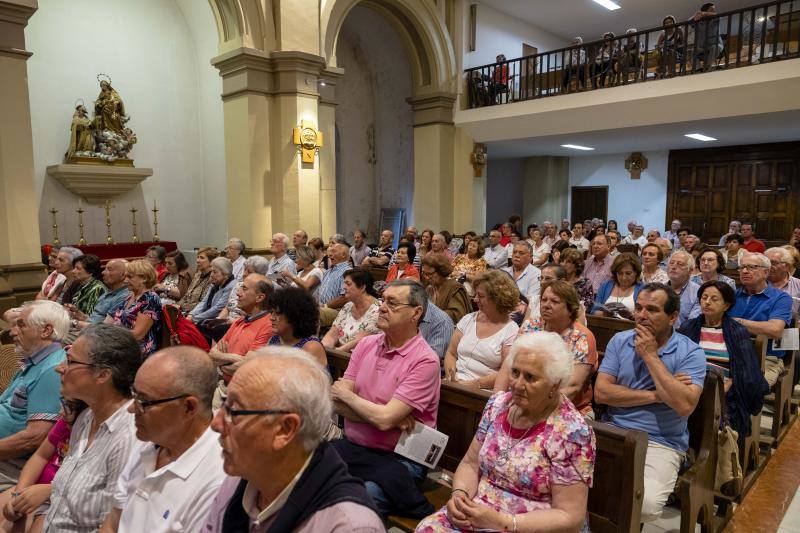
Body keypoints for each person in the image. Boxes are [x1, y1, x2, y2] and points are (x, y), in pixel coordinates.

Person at [417, 332, 595, 532]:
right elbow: (470, 463)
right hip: (477, 512)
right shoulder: (498, 405)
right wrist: (459, 497)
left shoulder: (571, 432)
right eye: (515, 372)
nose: (518, 385)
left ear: (555, 383)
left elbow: (570, 517)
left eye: (530, 377)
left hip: (528, 526)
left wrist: (502, 522)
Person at [204, 348, 383, 532]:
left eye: (233, 411)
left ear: (285, 429)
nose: (216, 424)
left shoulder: (347, 526)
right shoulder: (244, 477)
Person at [595, 283, 706, 522]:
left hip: (661, 441)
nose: (642, 316)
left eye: (652, 310)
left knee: (643, 506)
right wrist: (658, 395)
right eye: (639, 308)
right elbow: (602, 393)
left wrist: (649, 355)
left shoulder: (691, 352)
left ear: (673, 317)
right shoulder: (620, 340)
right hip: (613, 429)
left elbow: (684, 405)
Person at [330, 280, 440, 518]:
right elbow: (337, 402)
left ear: (416, 313)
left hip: (400, 459)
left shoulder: (425, 360)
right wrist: (383, 416)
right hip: (355, 447)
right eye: (382, 300)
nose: (381, 307)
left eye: (392, 303)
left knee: (357, 500)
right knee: (306, 470)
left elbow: (378, 416)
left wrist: (352, 399)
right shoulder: (367, 344)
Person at [97, 347, 225, 533]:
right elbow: (112, 524)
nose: (131, 409)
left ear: (189, 407)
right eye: (134, 395)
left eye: (144, 402)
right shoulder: (151, 438)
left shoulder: (217, 480)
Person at [44, 324, 143, 532]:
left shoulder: (127, 437)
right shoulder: (86, 417)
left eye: (70, 361)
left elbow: (110, 527)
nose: (59, 367)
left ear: (102, 375)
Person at [678, 281, 769, 440]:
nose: (707, 302)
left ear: (726, 306)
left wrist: (726, 387)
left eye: (714, 299)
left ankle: (710, 457)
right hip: (689, 386)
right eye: (704, 297)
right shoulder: (689, 327)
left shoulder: (737, 331)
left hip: (723, 390)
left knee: (713, 414)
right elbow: (677, 360)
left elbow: (745, 370)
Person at [0, 302, 69, 490]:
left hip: (12, 466)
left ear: (46, 330)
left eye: (20, 325)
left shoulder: (51, 370)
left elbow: (35, 437)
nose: (13, 332)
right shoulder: (35, 362)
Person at [510, 281, 598, 416]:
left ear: (570, 308)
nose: (546, 305)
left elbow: (572, 387)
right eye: (544, 300)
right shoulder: (531, 325)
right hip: (523, 400)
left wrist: (534, 409)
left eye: (554, 301)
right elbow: (510, 365)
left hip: (568, 409)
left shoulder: (582, 337)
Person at [0, 398, 85, 532]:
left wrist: (49, 490)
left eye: (68, 406)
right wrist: (18, 494)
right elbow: (40, 456)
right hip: (32, 488)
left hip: (57, 500)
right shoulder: (64, 423)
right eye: (63, 403)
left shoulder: (91, 436)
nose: (60, 411)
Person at [443, 271, 519, 389]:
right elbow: (451, 353)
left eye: (481, 296)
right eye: (475, 294)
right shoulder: (468, 319)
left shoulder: (511, 331)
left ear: (497, 298)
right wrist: (450, 376)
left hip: (482, 391)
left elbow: (507, 371)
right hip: (454, 383)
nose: (475, 299)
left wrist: (473, 384)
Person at [729, 252, 793, 387]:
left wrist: (736, 322)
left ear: (766, 272)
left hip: (766, 359)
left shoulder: (781, 298)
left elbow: (774, 330)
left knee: (750, 388)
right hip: (731, 354)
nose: (744, 271)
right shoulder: (732, 295)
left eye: (751, 267)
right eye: (742, 267)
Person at [209, 274, 274, 386]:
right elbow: (212, 354)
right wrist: (232, 358)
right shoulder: (240, 321)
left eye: (244, 289)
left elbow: (247, 367)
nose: (238, 293)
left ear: (259, 297)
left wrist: (220, 362)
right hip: (224, 385)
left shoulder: (268, 325)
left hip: (244, 391)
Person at [109, 260, 162, 357]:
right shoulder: (130, 296)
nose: (125, 280)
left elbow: (138, 335)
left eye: (130, 277)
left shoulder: (150, 299)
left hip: (137, 351)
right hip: (120, 344)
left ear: (144, 278)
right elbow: (114, 322)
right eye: (125, 276)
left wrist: (110, 335)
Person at [322, 268, 381, 352]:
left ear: (362, 287)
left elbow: (358, 342)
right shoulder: (348, 306)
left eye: (348, 284)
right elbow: (333, 333)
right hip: (337, 353)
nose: (344, 287)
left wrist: (335, 353)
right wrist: (323, 348)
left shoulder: (378, 310)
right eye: (344, 283)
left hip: (357, 357)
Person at [266, 287, 326, 366]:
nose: (272, 318)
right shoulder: (274, 339)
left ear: (294, 316)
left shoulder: (311, 347)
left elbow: (307, 378)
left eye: (277, 314)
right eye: (271, 312)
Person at [68, 259, 131, 330]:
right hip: (87, 330)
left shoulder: (124, 297)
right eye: (105, 269)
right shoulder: (107, 292)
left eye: (109, 270)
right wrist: (81, 316)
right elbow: (96, 319)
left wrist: (74, 323)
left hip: (96, 336)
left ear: (123, 275)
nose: (103, 272)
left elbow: (104, 329)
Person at [422, 254, 472, 324]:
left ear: (441, 271)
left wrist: (431, 315)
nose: (427, 278)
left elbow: (457, 315)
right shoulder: (430, 289)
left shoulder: (455, 288)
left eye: (430, 274)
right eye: (424, 274)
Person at [592, 253, 644, 319]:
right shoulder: (606, 285)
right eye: (620, 273)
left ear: (636, 273)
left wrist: (631, 316)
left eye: (628, 273)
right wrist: (605, 314)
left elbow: (645, 317)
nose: (624, 278)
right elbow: (593, 311)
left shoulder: (643, 289)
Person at [188, 257, 236, 327]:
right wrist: (191, 314)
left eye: (215, 272)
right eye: (211, 271)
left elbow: (217, 309)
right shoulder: (215, 283)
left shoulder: (231, 287)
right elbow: (204, 302)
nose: (211, 275)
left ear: (226, 274)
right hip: (206, 316)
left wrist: (194, 318)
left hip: (218, 321)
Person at [177, 246, 218, 314]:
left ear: (211, 261)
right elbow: (186, 296)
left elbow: (203, 304)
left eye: (201, 258)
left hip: (196, 314)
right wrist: (177, 305)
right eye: (197, 257)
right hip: (184, 310)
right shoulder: (198, 274)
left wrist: (180, 307)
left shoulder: (212, 279)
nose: (197, 260)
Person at [666, 251, 702, 329]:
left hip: (684, 336)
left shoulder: (698, 292)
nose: (673, 267)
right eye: (671, 263)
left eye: (680, 264)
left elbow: (691, 324)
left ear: (691, 270)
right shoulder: (658, 289)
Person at [318, 243, 351, 326]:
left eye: (334, 251)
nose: (329, 254)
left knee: (311, 313)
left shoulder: (348, 272)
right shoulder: (329, 271)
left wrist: (324, 306)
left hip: (338, 310)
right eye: (330, 252)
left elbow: (344, 298)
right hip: (323, 307)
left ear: (343, 255)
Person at [502, 241, 540, 307]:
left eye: (521, 253)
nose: (516, 255)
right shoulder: (503, 272)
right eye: (514, 252)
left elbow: (532, 300)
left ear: (530, 257)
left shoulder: (537, 274)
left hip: (524, 310)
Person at [767, 246, 800, 321]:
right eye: (766, 263)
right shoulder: (756, 284)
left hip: (792, 328)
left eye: (773, 263)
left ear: (787, 266)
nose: (768, 267)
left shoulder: (798, 285)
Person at [560, 248, 595, 312]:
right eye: (562, 261)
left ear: (577, 265)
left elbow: (587, 306)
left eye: (568, 262)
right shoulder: (558, 280)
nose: (563, 264)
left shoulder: (585, 283)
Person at [690, 2, 722, 72]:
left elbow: (717, 14)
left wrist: (704, 13)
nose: (714, 11)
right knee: (693, 51)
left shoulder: (715, 20)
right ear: (705, 10)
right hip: (703, 48)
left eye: (714, 9)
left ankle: (707, 67)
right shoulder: (699, 22)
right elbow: (689, 22)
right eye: (711, 9)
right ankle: (697, 69)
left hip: (716, 45)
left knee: (715, 47)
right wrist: (696, 14)